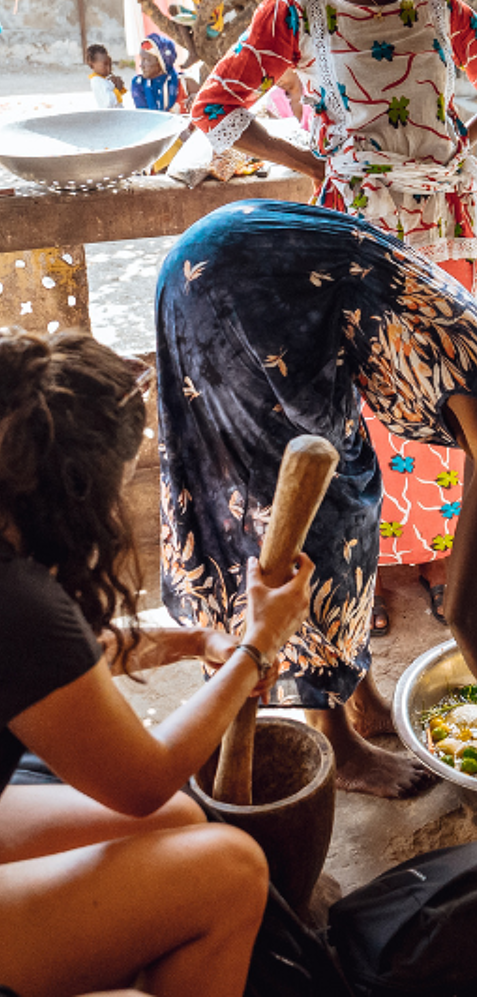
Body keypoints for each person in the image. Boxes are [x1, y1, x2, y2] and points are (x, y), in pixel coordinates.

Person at [155, 200, 477, 797]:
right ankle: (341, 746)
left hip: (266, 267)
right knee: (316, 520)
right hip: (238, 285)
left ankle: (360, 699)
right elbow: (465, 612)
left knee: (354, 496)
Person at [187, 0, 477, 629]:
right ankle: (366, 562)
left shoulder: (443, 12)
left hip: (447, 231)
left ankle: (448, 555)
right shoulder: (302, 16)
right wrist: (318, 165)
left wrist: (453, 149)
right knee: (367, 403)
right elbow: (213, 106)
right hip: (358, 239)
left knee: (456, 397)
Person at [0, 328, 315, 997]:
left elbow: (50, 667)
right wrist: (260, 642)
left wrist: (196, 642)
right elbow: (143, 776)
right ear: (76, 487)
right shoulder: (19, 602)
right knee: (231, 868)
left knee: (179, 820)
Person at [131, 35, 188, 114]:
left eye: (146, 60)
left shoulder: (183, 84)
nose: (141, 65)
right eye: (141, 59)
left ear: (161, 62)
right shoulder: (139, 85)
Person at [85, 43, 127, 109]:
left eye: (110, 64)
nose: (109, 68)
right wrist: (117, 89)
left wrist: (118, 84)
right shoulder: (97, 81)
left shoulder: (105, 78)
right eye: (104, 65)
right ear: (92, 65)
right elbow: (109, 101)